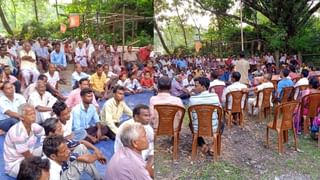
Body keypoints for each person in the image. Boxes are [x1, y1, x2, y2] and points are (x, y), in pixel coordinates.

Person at [4, 103, 44, 178]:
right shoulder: (17, 133)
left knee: (50, 146)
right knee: (39, 174)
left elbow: (46, 133)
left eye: (34, 113)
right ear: (22, 117)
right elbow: (28, 157)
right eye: (30, 114)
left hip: (30, 154)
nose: (33, 116)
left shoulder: (33, 125)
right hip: (16, 163)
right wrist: (43, 163)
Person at [189, 77, 221, 155]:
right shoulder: (215, 97)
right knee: (221, 124)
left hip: (198, 128)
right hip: (212, 127)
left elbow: (192, 116)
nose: (194, 88)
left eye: (196, 86)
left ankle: (203, 144)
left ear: (203, 87)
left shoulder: (192, 99)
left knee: (191, 124)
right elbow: (220, 111)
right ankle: (214, 145)